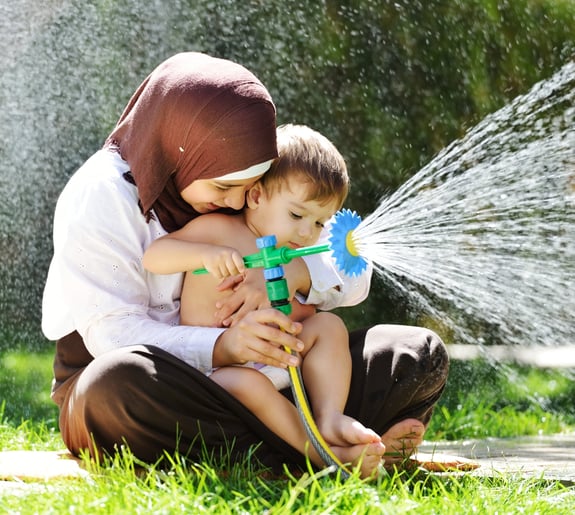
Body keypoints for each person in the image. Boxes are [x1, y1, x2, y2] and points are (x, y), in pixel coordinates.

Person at [42, 52, 449, 478]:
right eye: (225, 187)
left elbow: (351, 258)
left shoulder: (246, 163)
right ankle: (320, 453)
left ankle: (317, 440)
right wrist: (227, 346)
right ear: (188, 151)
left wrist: (297, 272)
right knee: (117, 383)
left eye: (247, 188)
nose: (239, 202)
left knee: (415, 354)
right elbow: (114, 335)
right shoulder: (102, 194)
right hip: (169, 387)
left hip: (277, 372)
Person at [143, 124, 384, 477]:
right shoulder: (217, 230)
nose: (306, 232)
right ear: (256, 197)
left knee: (329, 326)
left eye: (319, 222)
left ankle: (330, 416)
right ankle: (317, 453)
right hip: (222, 374)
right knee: (248, 384)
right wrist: (204, 257)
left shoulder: (298, 254)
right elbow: (154, 257)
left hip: (282, 362)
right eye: (297, 215)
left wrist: (299, 281)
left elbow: (352, 271)